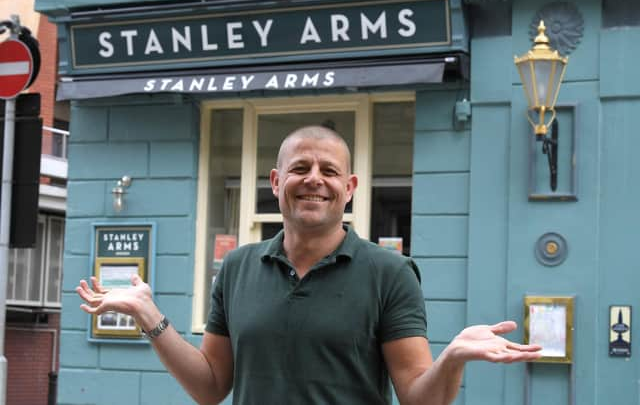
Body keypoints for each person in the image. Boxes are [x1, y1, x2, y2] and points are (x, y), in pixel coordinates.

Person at [76, 125, 541, 405]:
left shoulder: (389, 272)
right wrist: (149, 316)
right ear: (277, 182)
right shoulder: (237, 267)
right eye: (300, 168)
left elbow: (419, 397)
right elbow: (211, 386)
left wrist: (453, 358)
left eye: (330, 171)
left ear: (350, 187)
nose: (314, 179)